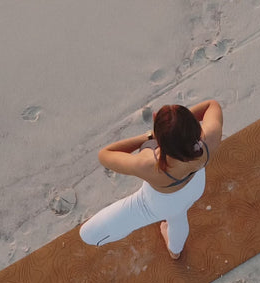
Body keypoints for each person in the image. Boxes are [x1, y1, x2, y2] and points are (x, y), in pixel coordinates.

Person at [79, 100, 224, 259]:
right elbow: (211, 105)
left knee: (87, 233)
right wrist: (180, 129)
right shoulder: (210, 137)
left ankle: (175, 249)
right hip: (195, 187)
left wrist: (149, 136)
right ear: (195, 126)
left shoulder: (149, 164)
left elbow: (104, 155)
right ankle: (175, 251)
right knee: (178, 216)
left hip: (160, 205)